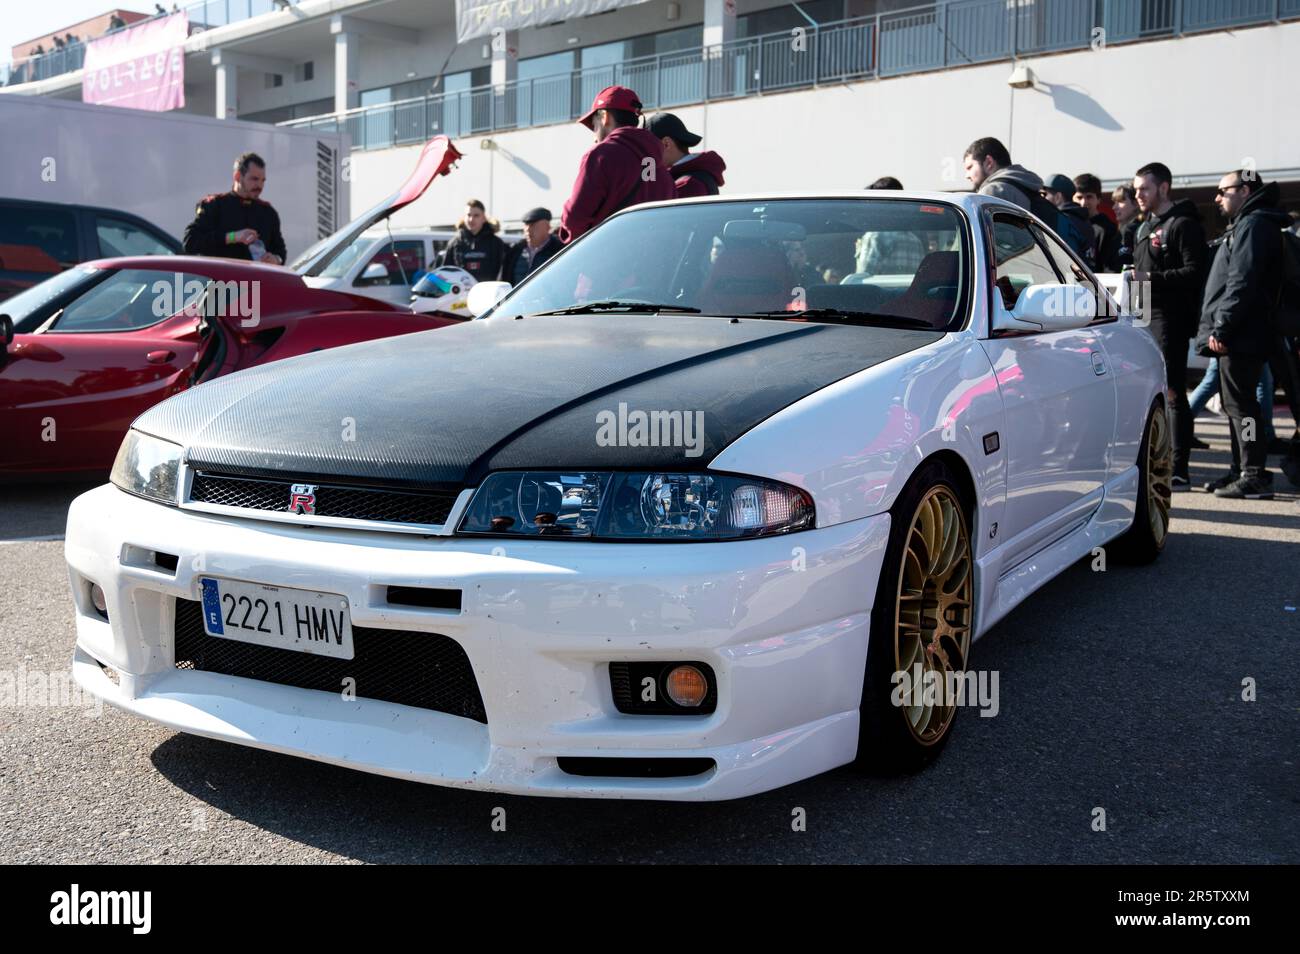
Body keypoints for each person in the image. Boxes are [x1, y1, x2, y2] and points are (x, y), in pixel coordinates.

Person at [1194, 170, 1290, 498]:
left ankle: (1254, 474)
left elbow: (1242, 281)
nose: (1217, 197)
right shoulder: (1249, 223)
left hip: (1242, 334)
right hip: (1240, 332)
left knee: (1244, 407)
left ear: (1245, 190)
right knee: (1237, 407)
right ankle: (1240, 470)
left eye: (1224, 190)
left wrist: (1223, 327)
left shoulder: (1253, 224)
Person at [1130, 161, 1208, 490]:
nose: (1138, 195)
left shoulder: (1183, 224)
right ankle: (1156, 462)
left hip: (1170, 321)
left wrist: (1151, 278)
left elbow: (1195, 272)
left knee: (1173, 391)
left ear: (1163, 188)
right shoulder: (1145, 225)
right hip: (1144, 317)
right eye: (1135, 190)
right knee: (1151, 393)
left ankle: (1179, 470)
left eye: (1144, 189)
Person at [557, 86, 675, 243]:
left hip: (610, 258)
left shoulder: (602, 154)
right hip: (652, 260)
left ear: (605, 117)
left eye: (594, 124)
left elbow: (575, 218)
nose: (594, 135)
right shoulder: (658, 164)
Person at [183, 152, 286, 263]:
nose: (259, 186)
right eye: (254, 179)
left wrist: (275, 259)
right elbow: (190, 242)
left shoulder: (268, 213)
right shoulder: (215, 205)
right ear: (237, 176)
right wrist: (232, 237)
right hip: (221, 278)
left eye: (263, 180)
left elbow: (280, 252)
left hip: (255, 280)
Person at [645, 112, 726, 198]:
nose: (646, 155)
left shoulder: (687, 185)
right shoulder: (691, 178)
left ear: (666, 144)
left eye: (648, 148)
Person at [962, 137, 1044, 213]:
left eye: (970, 167)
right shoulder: (1030, 187)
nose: (967, 176)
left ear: (989, 162)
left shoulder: (991, 191)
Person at [440, 199, 506, 281]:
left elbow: (505, 273)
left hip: (488, 292)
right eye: (468, 215)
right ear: (464, 218)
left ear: (484, 218)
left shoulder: (496, 243)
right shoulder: (455, 243)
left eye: (476, 215)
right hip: (462, 293)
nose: (471, 219)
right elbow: (445, 273)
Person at [1040, 173, 1096, 263]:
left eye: (1045, 194)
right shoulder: (1084, 220)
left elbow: (1065, 262)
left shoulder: (1062, 221)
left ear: (1058, 197)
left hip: (1069, 276)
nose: (1043, 198)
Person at [1073, 173, 1121, 271]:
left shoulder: (1108, 229)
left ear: (1098, 199)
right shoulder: (1067, 224)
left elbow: (1109, 269)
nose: (1083, 203)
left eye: (1089, 197)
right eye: (1079, 197)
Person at [501, 207, 562, 285]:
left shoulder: (559, 250)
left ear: (547, 226)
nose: (528, 229)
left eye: (533, 225)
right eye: (526, 225)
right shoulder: (515, 251)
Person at [1111, 184, 1141, 267]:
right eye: (1114, 202)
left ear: (1135, 204)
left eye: (1120, 201)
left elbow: (1122, 265)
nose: (1114, 207)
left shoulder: (1130, 230)